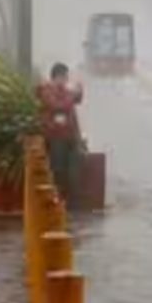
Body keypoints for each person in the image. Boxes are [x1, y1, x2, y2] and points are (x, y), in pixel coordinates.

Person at [37, 62, 85, 207]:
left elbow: (78, 98)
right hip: (55, 136)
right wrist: (72, 96)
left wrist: (80, 89)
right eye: (62, 77)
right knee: (58, 170)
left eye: (65, 77)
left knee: (74, 170)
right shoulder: (46, 90)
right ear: (54, 77)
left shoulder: (66, 91)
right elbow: (57, 106)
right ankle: (57, 201)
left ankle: (71, 201)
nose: (64, 80)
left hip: (71, 136)